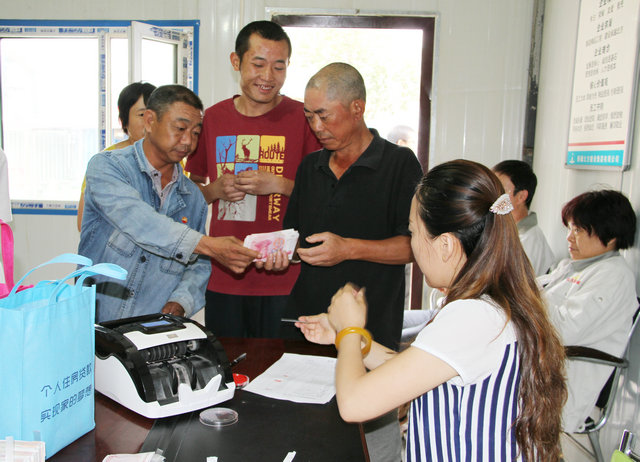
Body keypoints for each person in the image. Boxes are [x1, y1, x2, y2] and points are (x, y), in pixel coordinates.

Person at [297, 159, 567, 461]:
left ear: (446, 245)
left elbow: (354, 404)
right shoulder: (492, 303)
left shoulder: (473, 316)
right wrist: (350, 338)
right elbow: (420, 368)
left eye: (413, 232)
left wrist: (349, 328)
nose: (412, 244)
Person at [283, 62, 423, 461]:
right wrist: (281, 254)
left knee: (367, 437)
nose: (316, 126)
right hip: (309, 323)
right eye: (309, 116)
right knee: (306, 431)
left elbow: (413, 248)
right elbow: (296, 237)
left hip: (371, 326)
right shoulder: (310, 166)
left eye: (324, 115)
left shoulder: (399, 165)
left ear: (357, 108)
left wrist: (348, 249)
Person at [79, 85, 266, 323]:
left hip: (152, 328)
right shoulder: (108, 167)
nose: (188, 141)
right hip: (96, 325)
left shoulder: (192, 196)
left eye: (196, 133)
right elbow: (139, 221)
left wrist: (181, 302)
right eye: (180, 128)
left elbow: (198, 266)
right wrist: (209, 245)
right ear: (150, 121)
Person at [185, 20, 320, 338]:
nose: (268, 77)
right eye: (258, 64)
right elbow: (188, 194)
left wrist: (280, 185)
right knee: (229, 363)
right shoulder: (213, 118)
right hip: (224, 276)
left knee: (283, 365)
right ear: (236, 61)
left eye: (279, 67)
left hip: (286, 278)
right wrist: (214, 190)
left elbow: (325, 195)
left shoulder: (303, 119)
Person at [538, 189, 637, 433]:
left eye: (579, 230)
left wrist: (528, 296)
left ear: (610, 236)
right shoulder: (571, 267)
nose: (569, 238)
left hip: (561, 383)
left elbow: (563, 331)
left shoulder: (614, 276)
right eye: (570, 229)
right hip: (538, 370)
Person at [77, 82, 156, 231]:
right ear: (124, 120)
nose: (149, 121)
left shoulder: (175, 163)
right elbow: (84, 223)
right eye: (141, 114)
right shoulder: (104, 163)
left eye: (155, 114)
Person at [493, 159, 555, 275]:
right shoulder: (505, 231)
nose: (492, 196)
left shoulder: (529, 242)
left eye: (500, 190)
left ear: (521, 197)